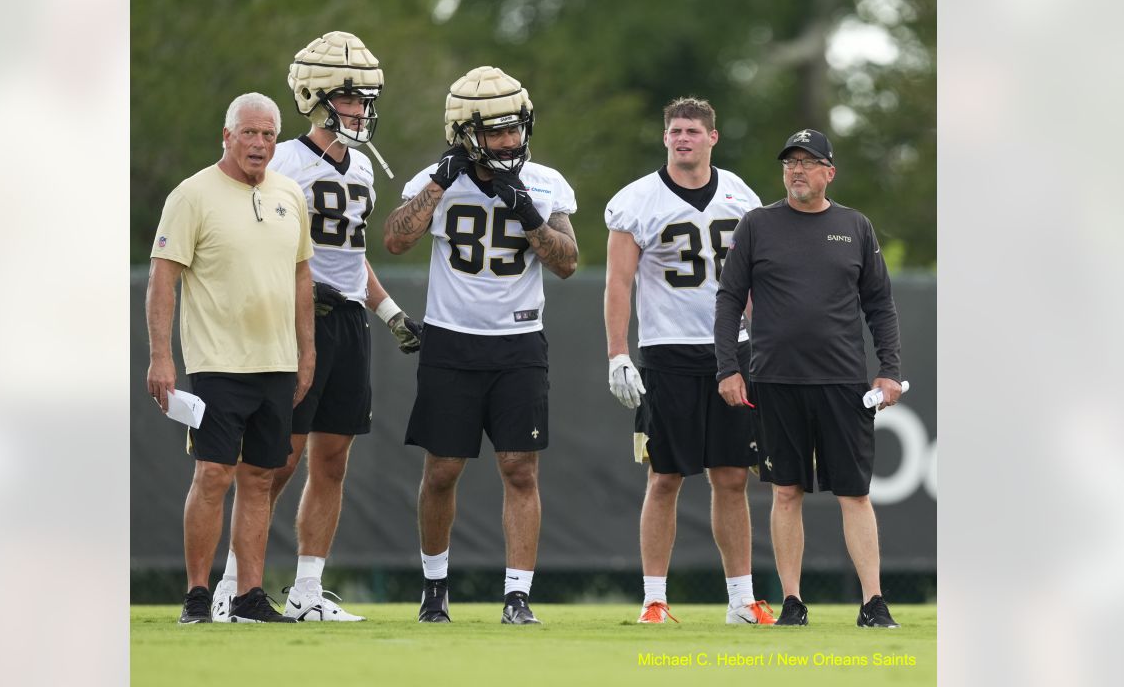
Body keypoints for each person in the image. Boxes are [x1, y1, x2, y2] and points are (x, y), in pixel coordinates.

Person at [208, 31, 423, 624]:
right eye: (351, 98)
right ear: (318, 97)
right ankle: (234, 584)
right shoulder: (283, 161)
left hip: (349, 319)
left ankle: (306, 590)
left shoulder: (361, 171)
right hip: (296, 319)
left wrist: (390, 313)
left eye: (365, 98)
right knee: (278, 461)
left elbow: (351, 257)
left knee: (333, 459)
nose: (361, 109)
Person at [383, 66, 578, 625]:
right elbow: (395, 240)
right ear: (465, 133)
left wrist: (528, 212)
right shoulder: (435, 180)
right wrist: (438, 185)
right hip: (452, 340)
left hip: (518, 342)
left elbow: (567, 262)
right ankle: (435, 587)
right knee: (442, 470)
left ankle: (517, 595)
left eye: (516, 129)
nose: (511, 141)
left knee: (520, 468)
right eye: (497, 131)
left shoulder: (543, 182)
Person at [713, 128, 904, 628]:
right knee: (785, 491)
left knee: (855, 493)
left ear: (828, 172)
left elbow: (880, 305)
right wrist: (728, 367)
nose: (797, 170)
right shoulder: (757, 225)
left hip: (843, 381)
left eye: (808, 161)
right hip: (775, 379)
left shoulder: (855, 226)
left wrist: (890, 371)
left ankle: (873, 602)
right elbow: (729, 298)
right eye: (790, 162)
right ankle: (793, 601)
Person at [603, 97, 775, 626]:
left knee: (731, 477)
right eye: (675, 130)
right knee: (666, 476)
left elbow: (753, 282)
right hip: (668, 350)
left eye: (693, 131)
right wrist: (617, 354)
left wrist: (762, 343)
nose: (683, 138)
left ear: (712, 138)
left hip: (731, 351)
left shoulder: (740, 195)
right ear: (665, 137)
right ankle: (655, 598)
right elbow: (619, 281)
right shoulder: (638, 200)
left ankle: (741, 601)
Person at [146, 93, 313, 624]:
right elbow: (162, 279)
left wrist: (307, 353)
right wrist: (161, 357)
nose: (259, 144)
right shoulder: (192, 195)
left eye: (268, 135)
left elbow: (302, 276)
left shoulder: (290, 194)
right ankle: (198, 596)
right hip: (217, 363)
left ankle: (249, 597)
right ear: (227, 135)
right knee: (215, 473)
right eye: (249, 133)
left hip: (277, 362)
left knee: (261, 478)